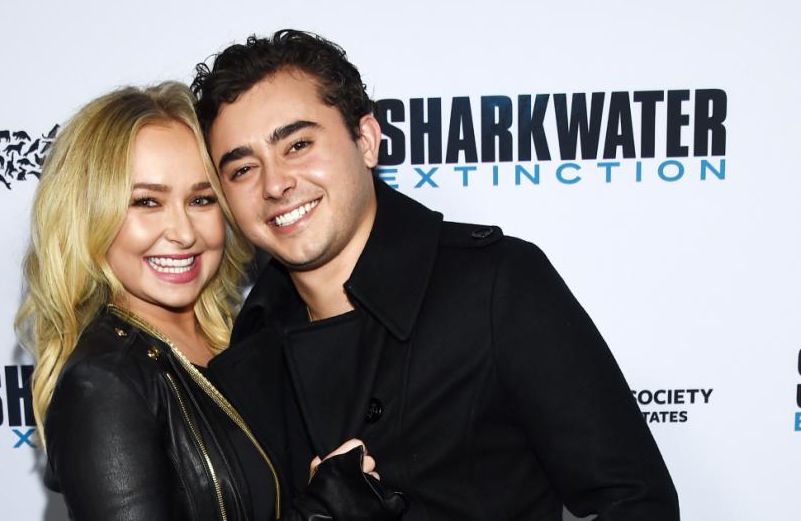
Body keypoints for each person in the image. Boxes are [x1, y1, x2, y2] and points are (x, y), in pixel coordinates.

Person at [192, 30, 681, 520]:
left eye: (298, 145)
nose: (276, 184)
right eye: (242, 169)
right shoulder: (249, 349)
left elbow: (636, 502)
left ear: (366, 140)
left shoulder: (494, 286)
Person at [16, 82, 406, 520]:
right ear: (89, 216)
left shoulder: (242, 337)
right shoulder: (103, 384)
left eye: (201, 199)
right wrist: (328, 509)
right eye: (147, 202)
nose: (184, 233)